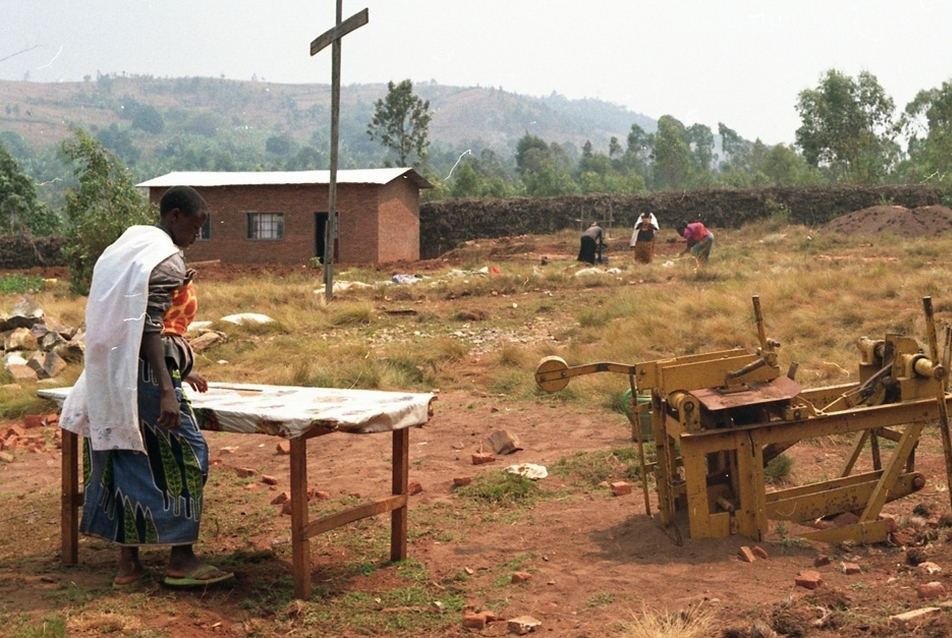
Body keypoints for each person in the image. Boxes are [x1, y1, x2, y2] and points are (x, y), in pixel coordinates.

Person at [60, 185, 234, 589]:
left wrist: (181, 369)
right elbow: (148, 327)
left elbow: (130, 321)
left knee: (125, 454)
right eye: (194, 226)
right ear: (174, 216)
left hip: (112, 371)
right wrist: (168, 388)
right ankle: (181, 558)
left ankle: (128, 566)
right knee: (190, 454)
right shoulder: (165, 260)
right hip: (144, 376)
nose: (196, 236)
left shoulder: (129, 247)